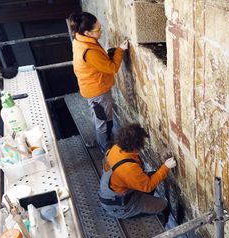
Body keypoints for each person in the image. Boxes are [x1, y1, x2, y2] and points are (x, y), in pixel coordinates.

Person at [69, 12, 129, 153]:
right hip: (97, 90)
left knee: (100, 118)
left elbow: (96, 64)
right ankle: (106, 150)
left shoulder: (79, 39)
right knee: (103, 121)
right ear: (88, 33)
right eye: (98, 30)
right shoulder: (89, 51)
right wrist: (120, 50)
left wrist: (107, 56)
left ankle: (104, 143)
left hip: (91, 87)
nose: (101, 31)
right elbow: (112, 68)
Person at [98, 124, 177, 220]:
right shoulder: (128, 168)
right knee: (164, 205)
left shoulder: (117, 148)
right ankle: (160, 221)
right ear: (137, 144)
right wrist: (166, 167)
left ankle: (143, 202)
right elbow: (148, 186)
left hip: (114, 193)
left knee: (151, 176)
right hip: (119, 205)